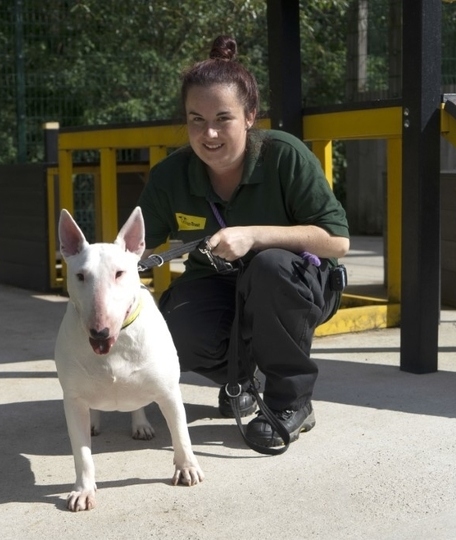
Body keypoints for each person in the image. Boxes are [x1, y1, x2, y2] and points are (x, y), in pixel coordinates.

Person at [136, 35, 350, 451]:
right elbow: (138, 247)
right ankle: (241, 377)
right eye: (196, 119)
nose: (209, 133)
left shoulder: (284, 155)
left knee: (269, 267)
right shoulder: (170, 175)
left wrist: (255, 235)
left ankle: (291, 402)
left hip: (295, 283)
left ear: (250, 116)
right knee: (174, 330)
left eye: (223, 118)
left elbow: (337, 241)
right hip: (215, 283)